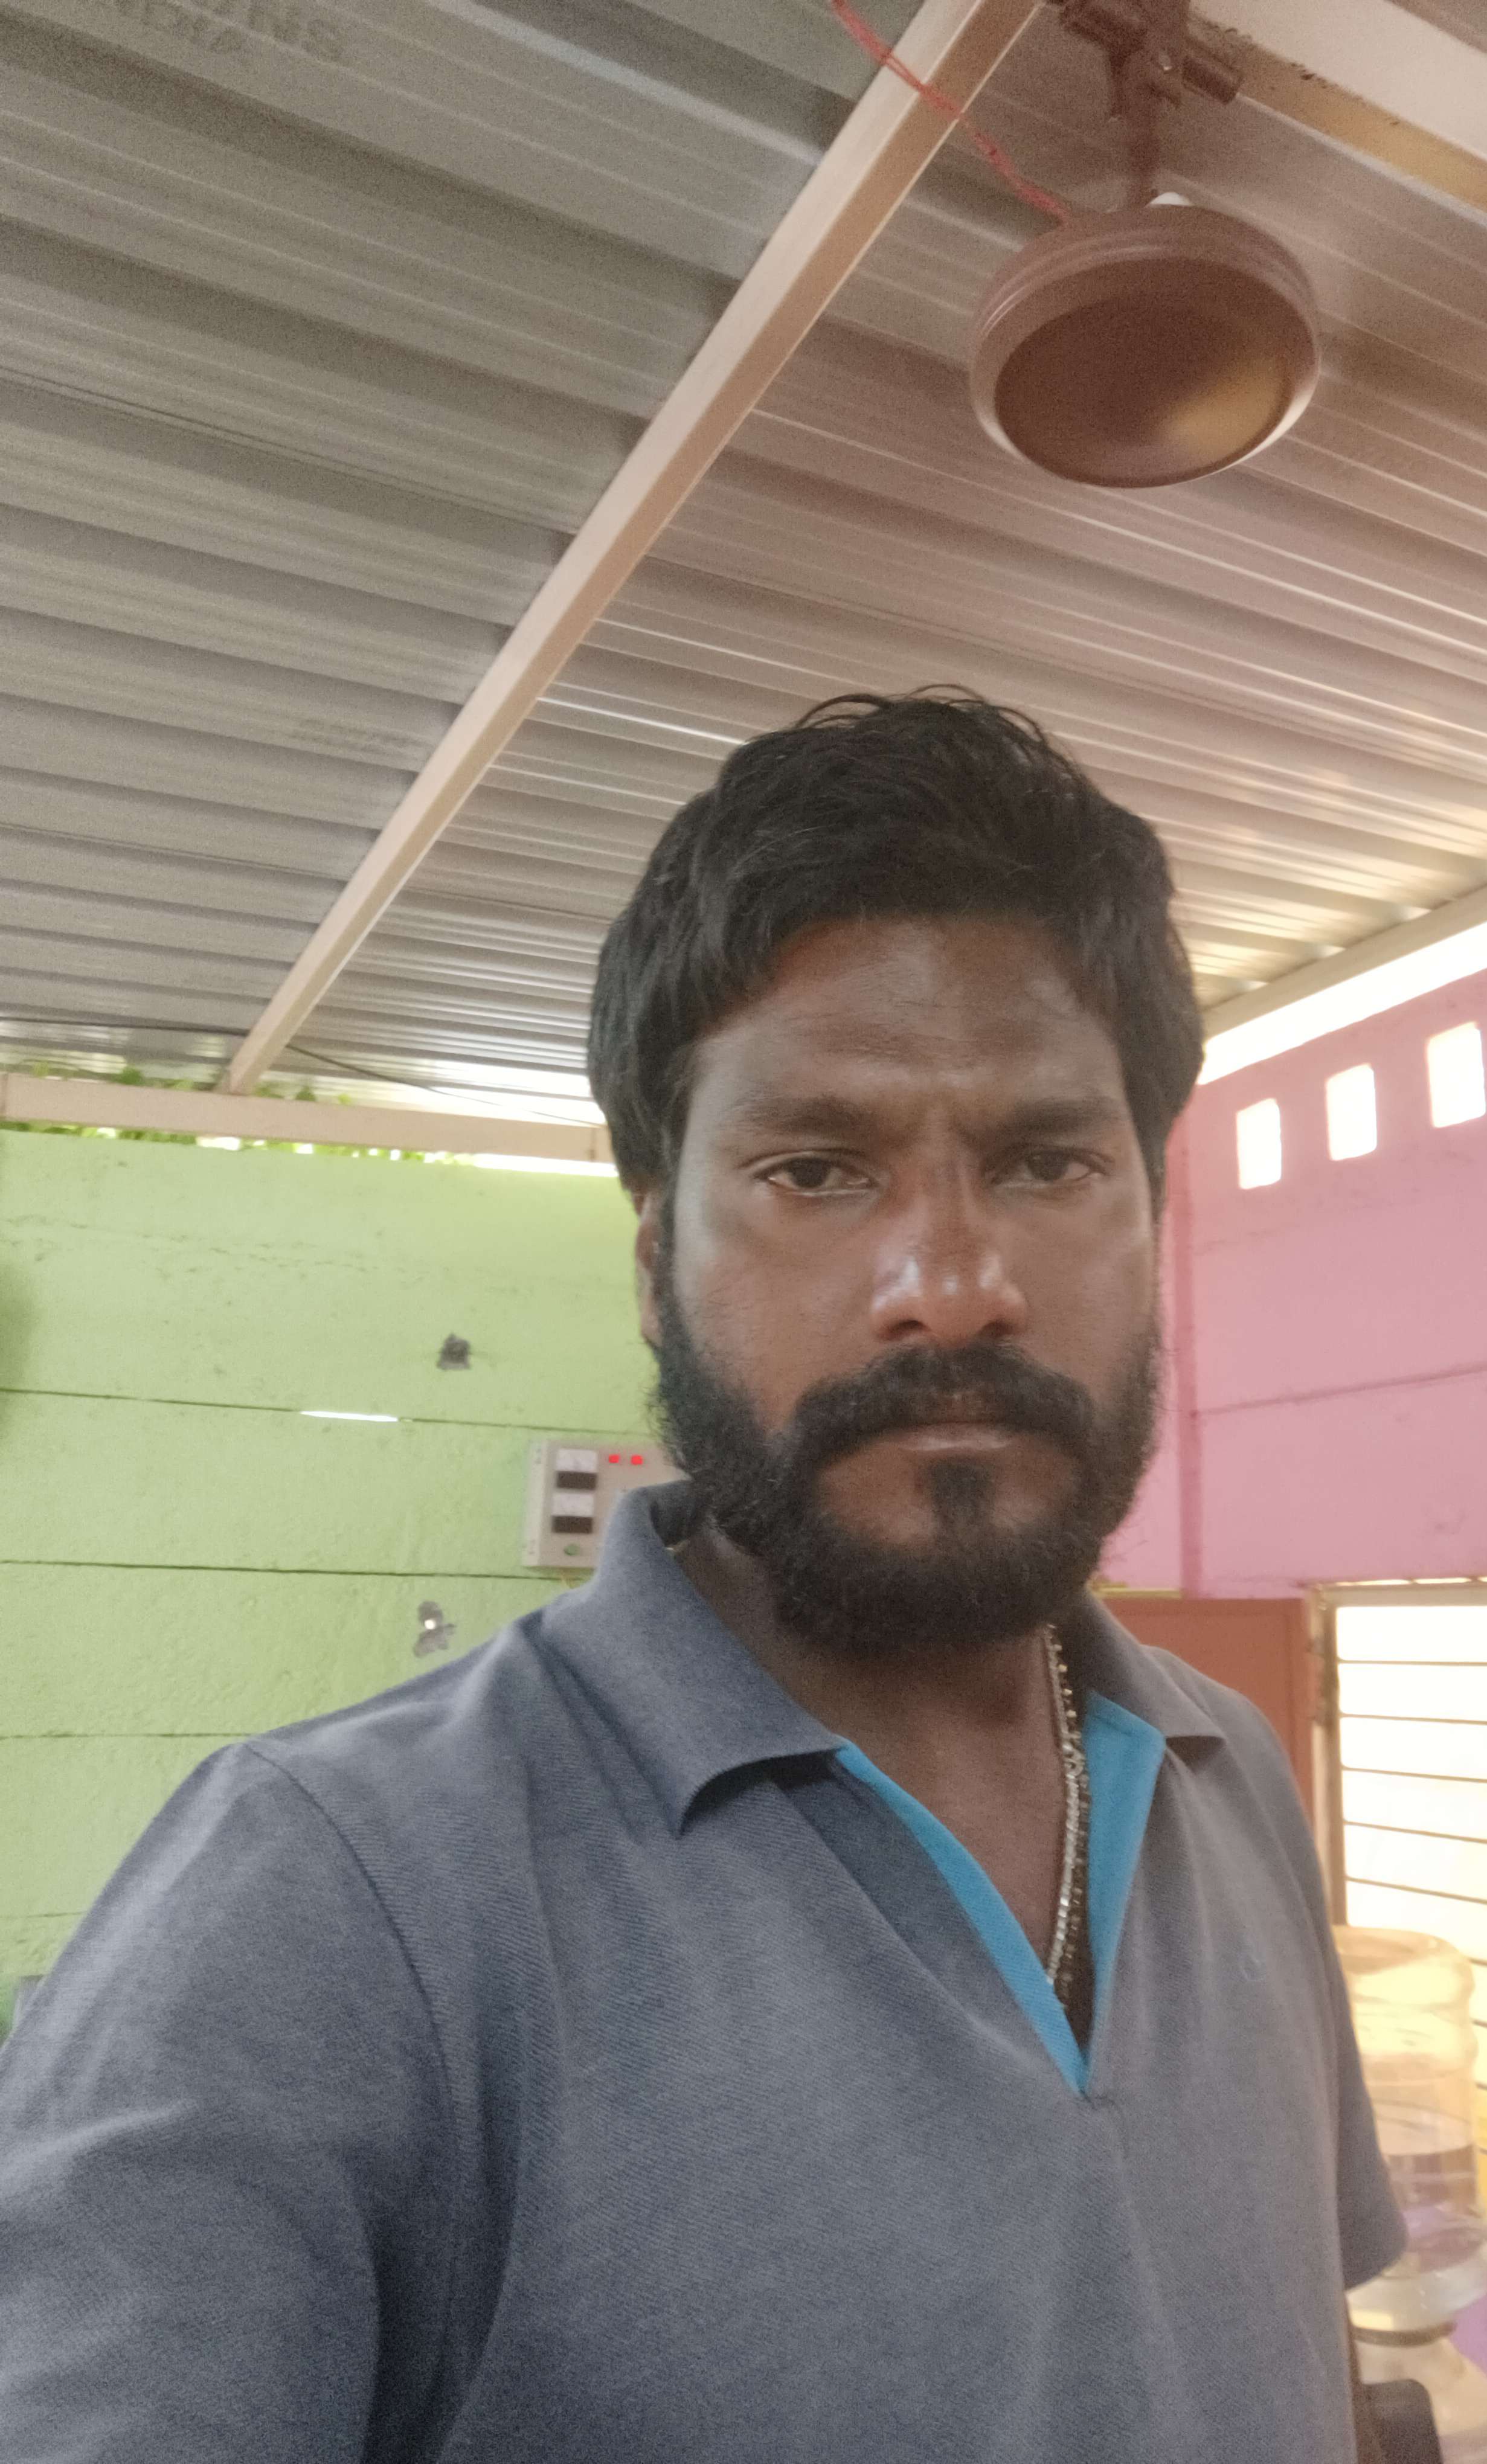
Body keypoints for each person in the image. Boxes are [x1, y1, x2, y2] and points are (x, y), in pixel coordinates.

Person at [0, 692, 1402, 2460]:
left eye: (1048, 1162)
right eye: (818, 1170)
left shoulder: (1234, 1777)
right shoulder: (324, 1900)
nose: (951, 1286)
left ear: (1149, 1216)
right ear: (656, 1261)